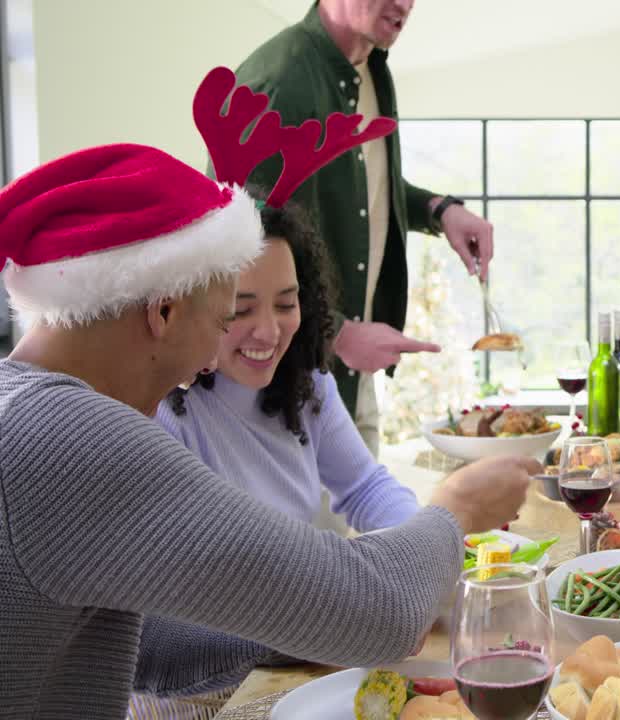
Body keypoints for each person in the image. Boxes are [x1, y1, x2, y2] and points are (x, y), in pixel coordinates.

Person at [0, 69, 534, 719]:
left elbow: (146, 643)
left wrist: (300, 614)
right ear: (163, 310)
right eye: (222, 319)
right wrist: (455, 507)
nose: (203, 365)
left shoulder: (23, 410)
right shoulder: (70, 435)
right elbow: (379, 610)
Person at [125, 195, 424, 718]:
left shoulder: (308, 388)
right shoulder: (164, 411)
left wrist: (425, 556)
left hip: (290, 658)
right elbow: (214, 579)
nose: (269, 331)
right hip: (195, 690)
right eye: (240, 310)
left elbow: (367, 489)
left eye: (286, 304)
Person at [233, 0, 498, 453]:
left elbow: (365, 188)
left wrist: (439, 210)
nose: (405, 4)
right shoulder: (278, 81)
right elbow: (240, 241)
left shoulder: (373, 69)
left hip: (349, 378)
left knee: (366, 521)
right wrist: (339, 333)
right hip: (282, 391)